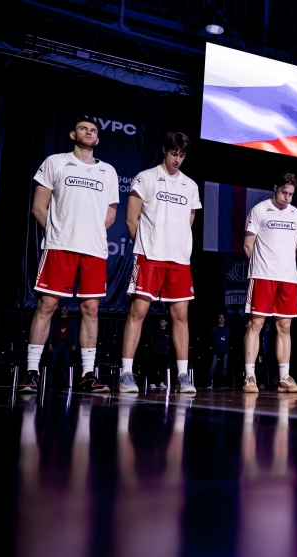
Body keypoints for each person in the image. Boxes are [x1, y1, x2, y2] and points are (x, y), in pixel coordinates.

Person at [20, 116, 119, 393]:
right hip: (59, 247)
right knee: (47, 306)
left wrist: (88, 233)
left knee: (91, 310)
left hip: (93, 251)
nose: (89, 132)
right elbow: (38, 207)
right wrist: (60, 233)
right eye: (83, 129)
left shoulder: (108, 171)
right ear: (73, 135)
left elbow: (111, 214)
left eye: (93, 130)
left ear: (98, 139)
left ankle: (88, 374)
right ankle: (31, 372)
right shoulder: (56, 162)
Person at [118, 132, 201, 394]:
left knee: (181, 315)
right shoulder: (146, 177)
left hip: (179, 261)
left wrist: (175, 244)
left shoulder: (190, 185)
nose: (177, 159)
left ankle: (183, 376)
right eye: (174, 153)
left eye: (182, 155)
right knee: (139, 312)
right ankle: (126, 373)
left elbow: (189, 222)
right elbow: (131, 219)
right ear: (164, 150)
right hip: (149, 257)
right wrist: (147, 246)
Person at [243, 171, 297, 394]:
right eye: (284, 192)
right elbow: (248, 244)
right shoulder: (259, 210)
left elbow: (294, 245)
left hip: (288, 278)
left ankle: (284, 377)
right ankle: (250, 376)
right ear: (275, 188)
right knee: (256, 324)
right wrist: (262, 267)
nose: (287, 197)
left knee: (285, 326)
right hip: (263, 276)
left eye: (291, 194)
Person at [47, 306, 78, 387]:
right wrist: (49, 344)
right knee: (52, 362)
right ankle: (50, 381)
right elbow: (50, 332)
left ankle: (65, 381)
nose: (64, 310)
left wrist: (75, 344)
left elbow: (75, 333)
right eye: (63, 309)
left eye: (66, 309)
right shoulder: (54, 320)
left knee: (66, 363)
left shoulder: (72, 321)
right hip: (56, 343)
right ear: (59, 310)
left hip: (67, 344)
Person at [208, 313, 231, 389]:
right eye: (220, 318)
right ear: (217, 319)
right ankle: (209, 383)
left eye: (223, 318)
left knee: (224, 367)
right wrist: (215, 343)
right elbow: (210, 337)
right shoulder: (214, 328)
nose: (221, 319)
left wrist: (225, 344)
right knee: (213, 366)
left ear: (224, 319)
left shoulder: (227, 328)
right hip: (216, 349)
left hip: (225, 349)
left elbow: (229, 338)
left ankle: (222, 384)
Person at [149, 318, 171, 388]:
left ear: (166, 323)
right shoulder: (155, 330)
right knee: (154, 368)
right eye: (160, 321)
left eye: (162, 321)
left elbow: (170, 341)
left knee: (163, 368)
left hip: (165, 353)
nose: (160, 323)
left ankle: (161, 382)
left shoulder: (168, 331)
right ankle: (152, 382)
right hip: (156, 352)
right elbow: (151, 340)